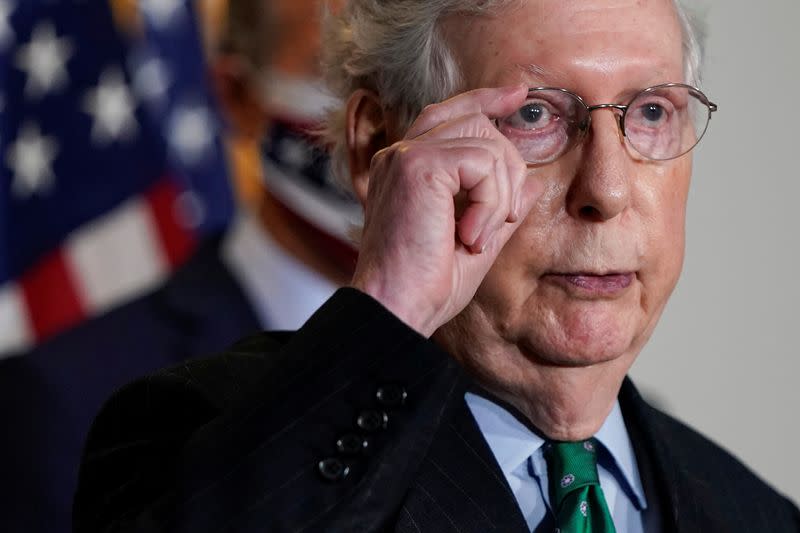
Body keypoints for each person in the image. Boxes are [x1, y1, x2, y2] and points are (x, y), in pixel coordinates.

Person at [73, 0, 800, 531]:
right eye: (536, 115)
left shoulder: (758, 514)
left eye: (649, 112)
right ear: (373, 149)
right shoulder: (196, 436)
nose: (606, 191)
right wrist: (389, 301)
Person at [0, 1, 357, 532]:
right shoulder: (67, 399)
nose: (384, 119)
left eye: (407, 70)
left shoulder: (490, 353)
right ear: (236, 96)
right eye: (340, 73)